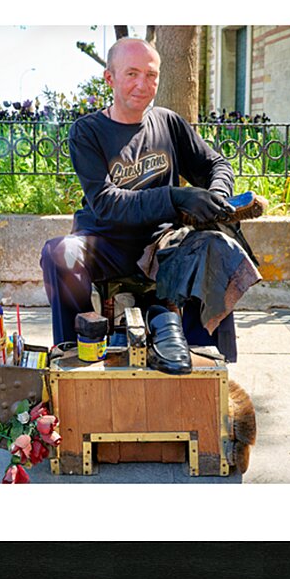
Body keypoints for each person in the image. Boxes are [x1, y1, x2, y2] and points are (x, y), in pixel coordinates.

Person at [40, 37, 241, 358]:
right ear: (110, 78)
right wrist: (175, 197)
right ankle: (75, 351)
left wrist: (215, 196)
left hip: (163, 245)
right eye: (131, 74)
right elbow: (105, 203)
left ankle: (205, 357)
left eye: (151, 75)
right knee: (59, 252)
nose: (142, 84)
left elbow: (215, 164)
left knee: (216, 247)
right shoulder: (87, 131)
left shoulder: (168, 123)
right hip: (105, 244)